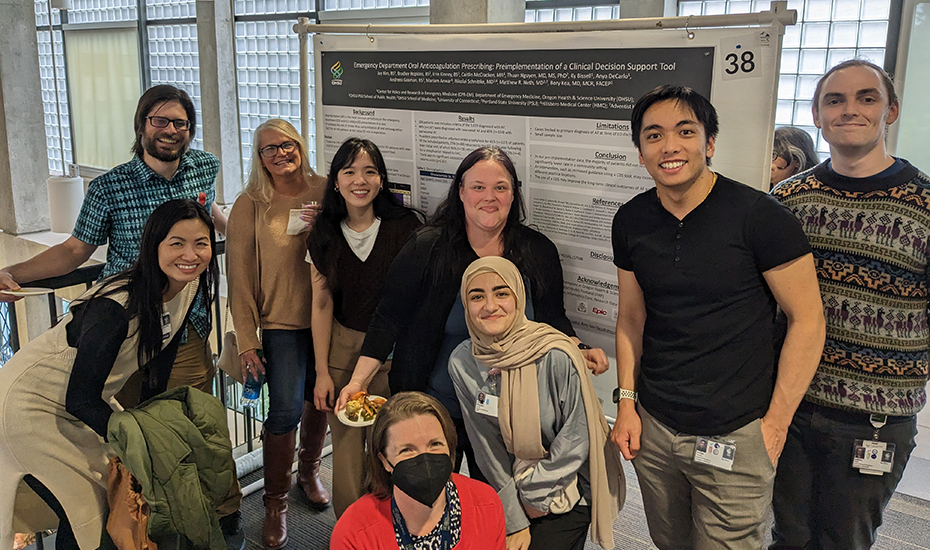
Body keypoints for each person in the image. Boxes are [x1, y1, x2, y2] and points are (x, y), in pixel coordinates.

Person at [608, 84, 826, 550]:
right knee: (669, 541)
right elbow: (631, 319)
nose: (669, 146)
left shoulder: (761, 217)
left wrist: (775, 425)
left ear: (709, 143)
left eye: (685, 131)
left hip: (737, 430)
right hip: (656, 425)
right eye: (654, 135)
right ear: (641, 152)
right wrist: (626, 404)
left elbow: (807, 320)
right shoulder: (630, 220)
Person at [334, 147, 609, 482]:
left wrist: (578, 348)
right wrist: (359, 382)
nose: (489, 197)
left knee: (497, 497)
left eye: (500, 187)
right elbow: (388, 318)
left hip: (507, 408)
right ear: (461, 192)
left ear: (513, 194)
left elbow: (552, 319)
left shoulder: (537, 251)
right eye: (478, 187)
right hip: (435, 404)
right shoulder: (427, 247)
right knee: (432, 493)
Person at [770, 59, 930, 550]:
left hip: (876, 420)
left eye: (867, 98)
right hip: (793, 408)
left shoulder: (924, 205)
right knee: (788, 538)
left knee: (845, 541)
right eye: (835, 100)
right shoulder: (787, 200)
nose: (849, 110)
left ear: (890, 111)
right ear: (817, 115)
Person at [0, 199, 219, 550]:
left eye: (201, 243)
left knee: (113, 494)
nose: (190, 255)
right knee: (87, 508)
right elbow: (79, 398)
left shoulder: (187, 286)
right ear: (154, 246)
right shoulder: (115, 308)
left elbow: (160, 358)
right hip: (29, 406)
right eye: (176, 243)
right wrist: (139, 440)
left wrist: (153, 420)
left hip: (80, 402)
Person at [0, 85, 228, 399]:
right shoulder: (109, 187)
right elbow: (73, 251)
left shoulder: (204, 167)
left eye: (180, 123)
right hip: (127, 324)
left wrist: (239, 233)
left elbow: (207, 204)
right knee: (125, 416)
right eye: (159, 121)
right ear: (141, 125)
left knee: (190, 412)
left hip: (187, 321)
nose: (171, 130)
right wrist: (11, 273)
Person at [449, 257, 624, 550]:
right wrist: (514, 516)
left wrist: (534, 494)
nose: (490, 306)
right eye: (477, 296)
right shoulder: (463, 362)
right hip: (510, 482)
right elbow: (486, 445)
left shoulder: (555, 354)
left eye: (501, 293)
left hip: (568, 481)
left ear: (519, 298)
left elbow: (576, 439)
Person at [307, 137, 423, 517]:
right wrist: (322, 372)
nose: (360, 180)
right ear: (336, 181)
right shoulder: (323, 233)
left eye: (370, 171)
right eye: (350, 171)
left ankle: (394, 529)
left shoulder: (405, 227)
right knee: (347, 456)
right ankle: (350, 532)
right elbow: (321, 304)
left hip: (394, 354)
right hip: (342, 351)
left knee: (395, 449)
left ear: (381, 180)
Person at [226, 119, 328, 548]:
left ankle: (309, 470)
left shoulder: (327, 190)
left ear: (300, 145)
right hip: (280, 323)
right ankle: (274, 503)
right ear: (260, 158)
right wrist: (247, 340)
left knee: (320, 398)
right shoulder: (250, 203)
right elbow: (239, 277)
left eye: (287, 144)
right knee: (285, 410)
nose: (281, 153)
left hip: (327, 319)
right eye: (269, 149)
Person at [330, 391, 506, 549]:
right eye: (407, 450)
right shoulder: (354, 535)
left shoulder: (486, 504)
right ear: (384, 460)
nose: (425, 459)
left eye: (435, 444)